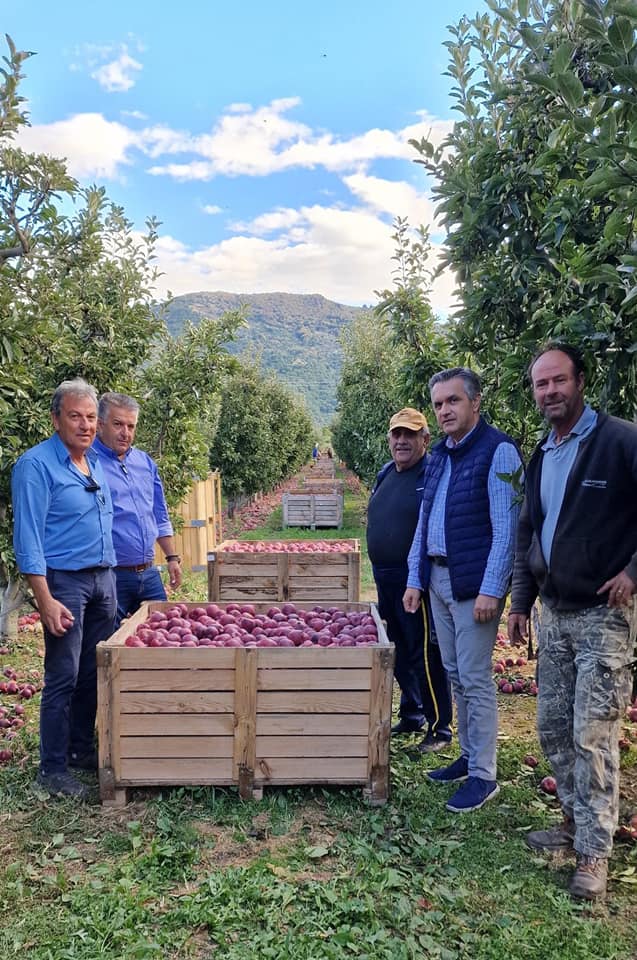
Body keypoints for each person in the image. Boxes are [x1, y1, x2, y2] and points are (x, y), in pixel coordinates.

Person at [508, 342, 637, 901]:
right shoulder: (542, 455)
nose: (550, 392)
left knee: (593, 734)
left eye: (559, 381)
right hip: (554, 613)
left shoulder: (619, 441)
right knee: (553, 729)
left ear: (581, 381)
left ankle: (594, 853)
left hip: (604, 615)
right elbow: (529, 532)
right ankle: (572, 821)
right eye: (541, 385)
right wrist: (520, 602)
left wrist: (635, 570)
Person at [403, 368, 522, 812]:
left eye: (453, 401)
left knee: (474, 678)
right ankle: (469, 755)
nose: (445, 410)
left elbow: (506, 530)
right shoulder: (438, 456)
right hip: (437, 579)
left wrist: (493, 589)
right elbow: (424, 521)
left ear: (475, 402)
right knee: (454, 672)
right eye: (438, 404)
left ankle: (484, 776)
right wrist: (417, 578)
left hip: (472, 583)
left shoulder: (499, 451)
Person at [11, 378, 117, 799]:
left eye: (91, 417)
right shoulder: (35, 466)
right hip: (65, 582)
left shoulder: (95, 462)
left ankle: (79, 750)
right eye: (75, 416)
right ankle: (52, 769)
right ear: (55, 418)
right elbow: (29, 539)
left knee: (93, 671)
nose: (85, 425)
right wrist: (45, 599)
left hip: (101, 579)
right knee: (63, 674)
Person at [367, 408, 453, 752]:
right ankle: (413, 711)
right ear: (389, 438)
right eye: (397, 434)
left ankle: (440, 726)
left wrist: (417, 578)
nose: (402, 441)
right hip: (384, 576)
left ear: (425, 439)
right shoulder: (385, 473)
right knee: (398, 648)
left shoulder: (433, 473)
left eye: (410, 435)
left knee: (423, 651)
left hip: (415, 579)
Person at [93, 392, 182, 625]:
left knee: (164, 630)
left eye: (131, 426)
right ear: (100, 425)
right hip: (111, 575)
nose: (126, 433)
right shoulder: (87, 463)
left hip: (149, 572)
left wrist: (172, 557)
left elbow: (159, 514)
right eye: (118, 424)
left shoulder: (144, 463)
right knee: (110, 643)